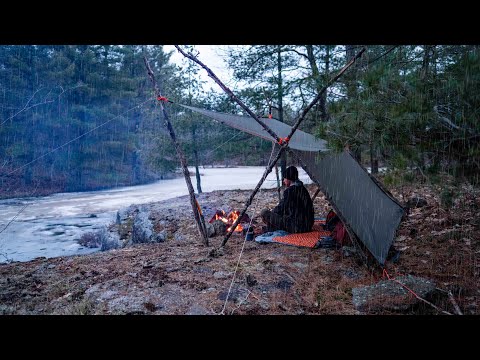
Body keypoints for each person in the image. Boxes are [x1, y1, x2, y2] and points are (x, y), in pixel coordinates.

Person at [260, 165, 314, 234]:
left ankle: (271, 227)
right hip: (308, 225)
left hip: (297, 227)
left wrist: (271, 215)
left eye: (284, 178)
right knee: (282, 216)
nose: (283, 181)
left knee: (264, 212)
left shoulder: (289, 192)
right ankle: (271, 227)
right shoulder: (303, 189)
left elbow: (280, 208)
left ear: (289, 179)